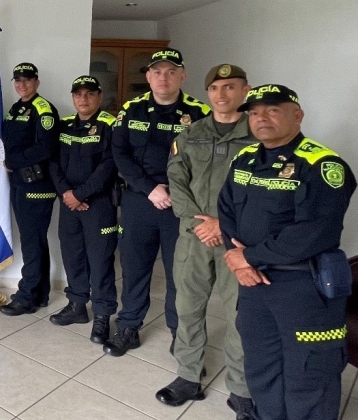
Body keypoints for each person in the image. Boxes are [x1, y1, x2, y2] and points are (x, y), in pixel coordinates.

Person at [219, 84, 356, 420]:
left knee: (309, 373)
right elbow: (226, 212)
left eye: (272, 109)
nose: (260, 117)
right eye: (253, 112)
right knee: (262, 365)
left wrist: (248, 257)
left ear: (297, 115)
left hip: (303, 286)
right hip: (253, 285)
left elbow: (315, 231)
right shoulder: (245, 159)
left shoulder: (322, 163)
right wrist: (237, 262)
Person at [157, 64, 255, 418]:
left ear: (245, 90)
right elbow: (176, 179)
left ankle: (241, 389)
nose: (222, 94)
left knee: (239, 314)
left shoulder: (258, 135)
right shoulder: (190, 133)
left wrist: (222, 225)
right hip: (194, 234)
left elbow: (260, 191)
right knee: (188, 307)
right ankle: (187, 376)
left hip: (238, 242)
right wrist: (200, 222)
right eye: (215, 88)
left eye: (230, 87)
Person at [105, 48, 211, 357]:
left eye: (170, 71)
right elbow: (119, 153)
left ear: (183, 75)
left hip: (182, 207)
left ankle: (182, 334)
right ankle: (128, 327)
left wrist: (177, 193)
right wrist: (150, 188)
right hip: (140, 200)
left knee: (181, 274)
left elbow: (205, 163)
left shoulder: (200, 113)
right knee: (134, 268)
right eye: (157, 72)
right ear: (149, 76)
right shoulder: (131, 109)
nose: (163, 77)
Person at [46, 76, 119, 344]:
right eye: (78, 94)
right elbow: (53, 162)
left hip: (98, 204)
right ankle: (77, 306)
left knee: (100, 260)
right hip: (69, 203)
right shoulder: (65, 125)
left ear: (99, 97)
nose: (83, 99)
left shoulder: (110, 124)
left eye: (89, 94)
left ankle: (102, 315)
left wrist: (80, 194)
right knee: (72, 255)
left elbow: (109, 165)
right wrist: (67, 193)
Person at [0, 63, 60, 316]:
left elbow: (45, 148)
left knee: (32, 243)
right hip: (20, 183)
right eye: (18, 80)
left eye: (27, 79)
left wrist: (13, 162)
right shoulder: (17, 108)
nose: (22, 84)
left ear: (37, 81)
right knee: (35, 241)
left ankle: (25, 297)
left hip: (37, 186)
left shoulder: (43, 109)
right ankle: (40, 292)